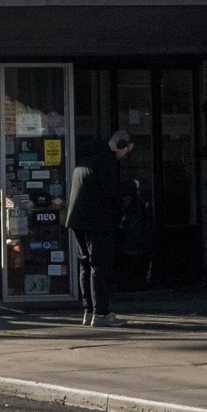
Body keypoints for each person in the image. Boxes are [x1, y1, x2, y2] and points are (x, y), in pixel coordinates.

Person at [65, 130, 136, 328]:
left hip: (77, 218)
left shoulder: (87, 157)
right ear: (121, 145)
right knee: (100, 266)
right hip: (96, 220)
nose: (125, 156)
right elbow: (111, 191)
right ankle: (101, 312)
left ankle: (88, 311)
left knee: (85, 264)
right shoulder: (106, 160)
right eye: (127, 151)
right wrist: (132, 186)